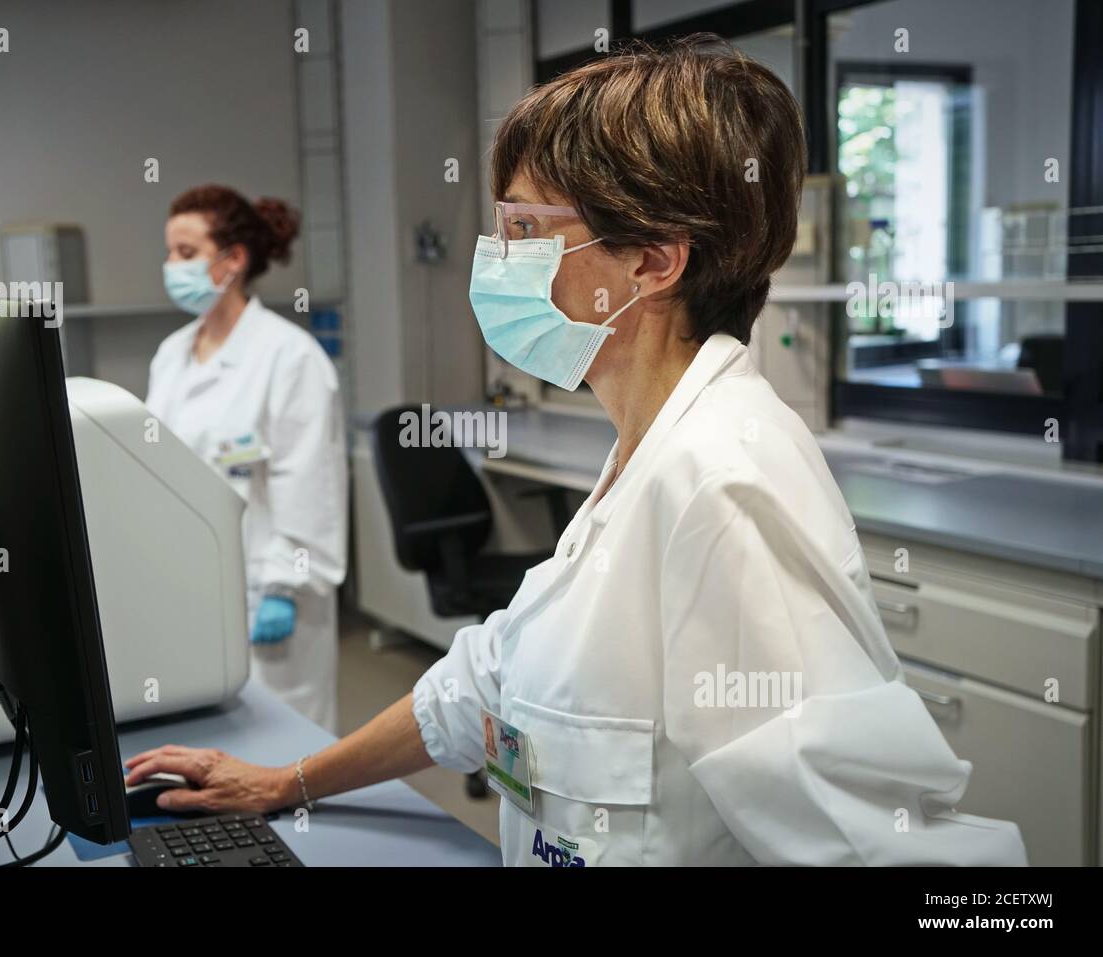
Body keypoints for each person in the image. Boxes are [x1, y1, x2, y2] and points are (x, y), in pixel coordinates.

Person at [127, 38, 1027, 866]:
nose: (496, 258)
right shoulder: (639, 458)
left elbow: (883, 851)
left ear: (653, 262)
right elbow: (483, 687)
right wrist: (288, 783)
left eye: (525, 231)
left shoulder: (723, 484)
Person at [146, 184, 346, 732]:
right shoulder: (171, 356)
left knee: (283, 746)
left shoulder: (289, 358)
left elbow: (309, 485)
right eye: (169, 253)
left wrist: (285, 588)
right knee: (205, 743)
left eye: (186, 253)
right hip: (190, 583)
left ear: (233, 260)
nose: (171, 266)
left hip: (270, 595)